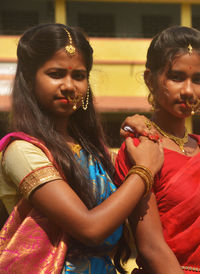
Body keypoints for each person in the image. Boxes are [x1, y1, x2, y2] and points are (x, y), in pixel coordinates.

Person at [0, 23, 164, 274]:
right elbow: (91, 229)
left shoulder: (93, 151)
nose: (69, 86)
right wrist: (143, 171)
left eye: (78, 75)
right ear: (30, 80)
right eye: (55, 74)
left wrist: (139, 136)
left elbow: (122, 225)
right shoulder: (22, 150)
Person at [115, 26, 200, 274]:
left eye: (198, 80)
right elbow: (151, 246)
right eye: (176, 77)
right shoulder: (141, 151)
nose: (188, 91)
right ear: (150, 79)